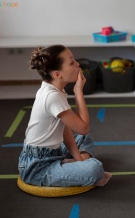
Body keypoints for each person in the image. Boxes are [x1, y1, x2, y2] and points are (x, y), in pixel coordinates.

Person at [18, 44, 112, 187]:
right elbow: (83, 127)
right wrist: (79, 92)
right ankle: (76, 168)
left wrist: (79, 161)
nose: (77, 64)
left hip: (50, 153)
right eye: (72, 62)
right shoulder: (52, 96)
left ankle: (73, 165)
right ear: (57, 74)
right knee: (95, 168)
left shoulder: (51, 88)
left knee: (84, 139)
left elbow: (64, 128)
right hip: (37, 168)